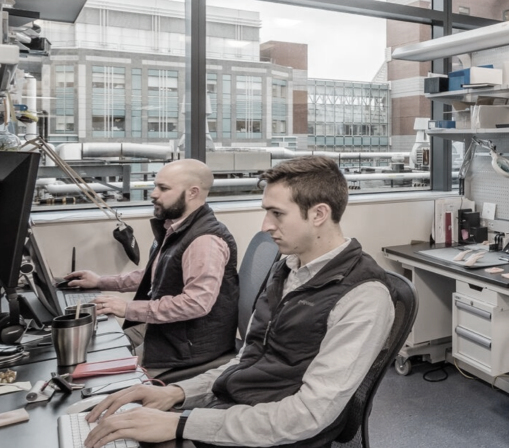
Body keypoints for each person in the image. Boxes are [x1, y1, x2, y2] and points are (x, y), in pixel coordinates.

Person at [82, 155, 395, 448]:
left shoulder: (363, 295)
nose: (265, 226)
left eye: (277, 213)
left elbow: (308, 415)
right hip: (235, 411)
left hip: (275, 434)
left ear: (319, 214)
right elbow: (248, 359)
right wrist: (177, 393)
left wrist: (181, 423)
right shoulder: (288, 268)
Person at [64, 159, 238, 375]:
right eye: (156, 186)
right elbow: (157, 275)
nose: (154, 194)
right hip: (169, 332)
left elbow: (195, 304)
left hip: (188, 346)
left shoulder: (205, 240)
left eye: (163, 188)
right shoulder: (177, 228)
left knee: (95, 373)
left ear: (192, 193)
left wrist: (126, 308)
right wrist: (100, 281)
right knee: (93, 349)